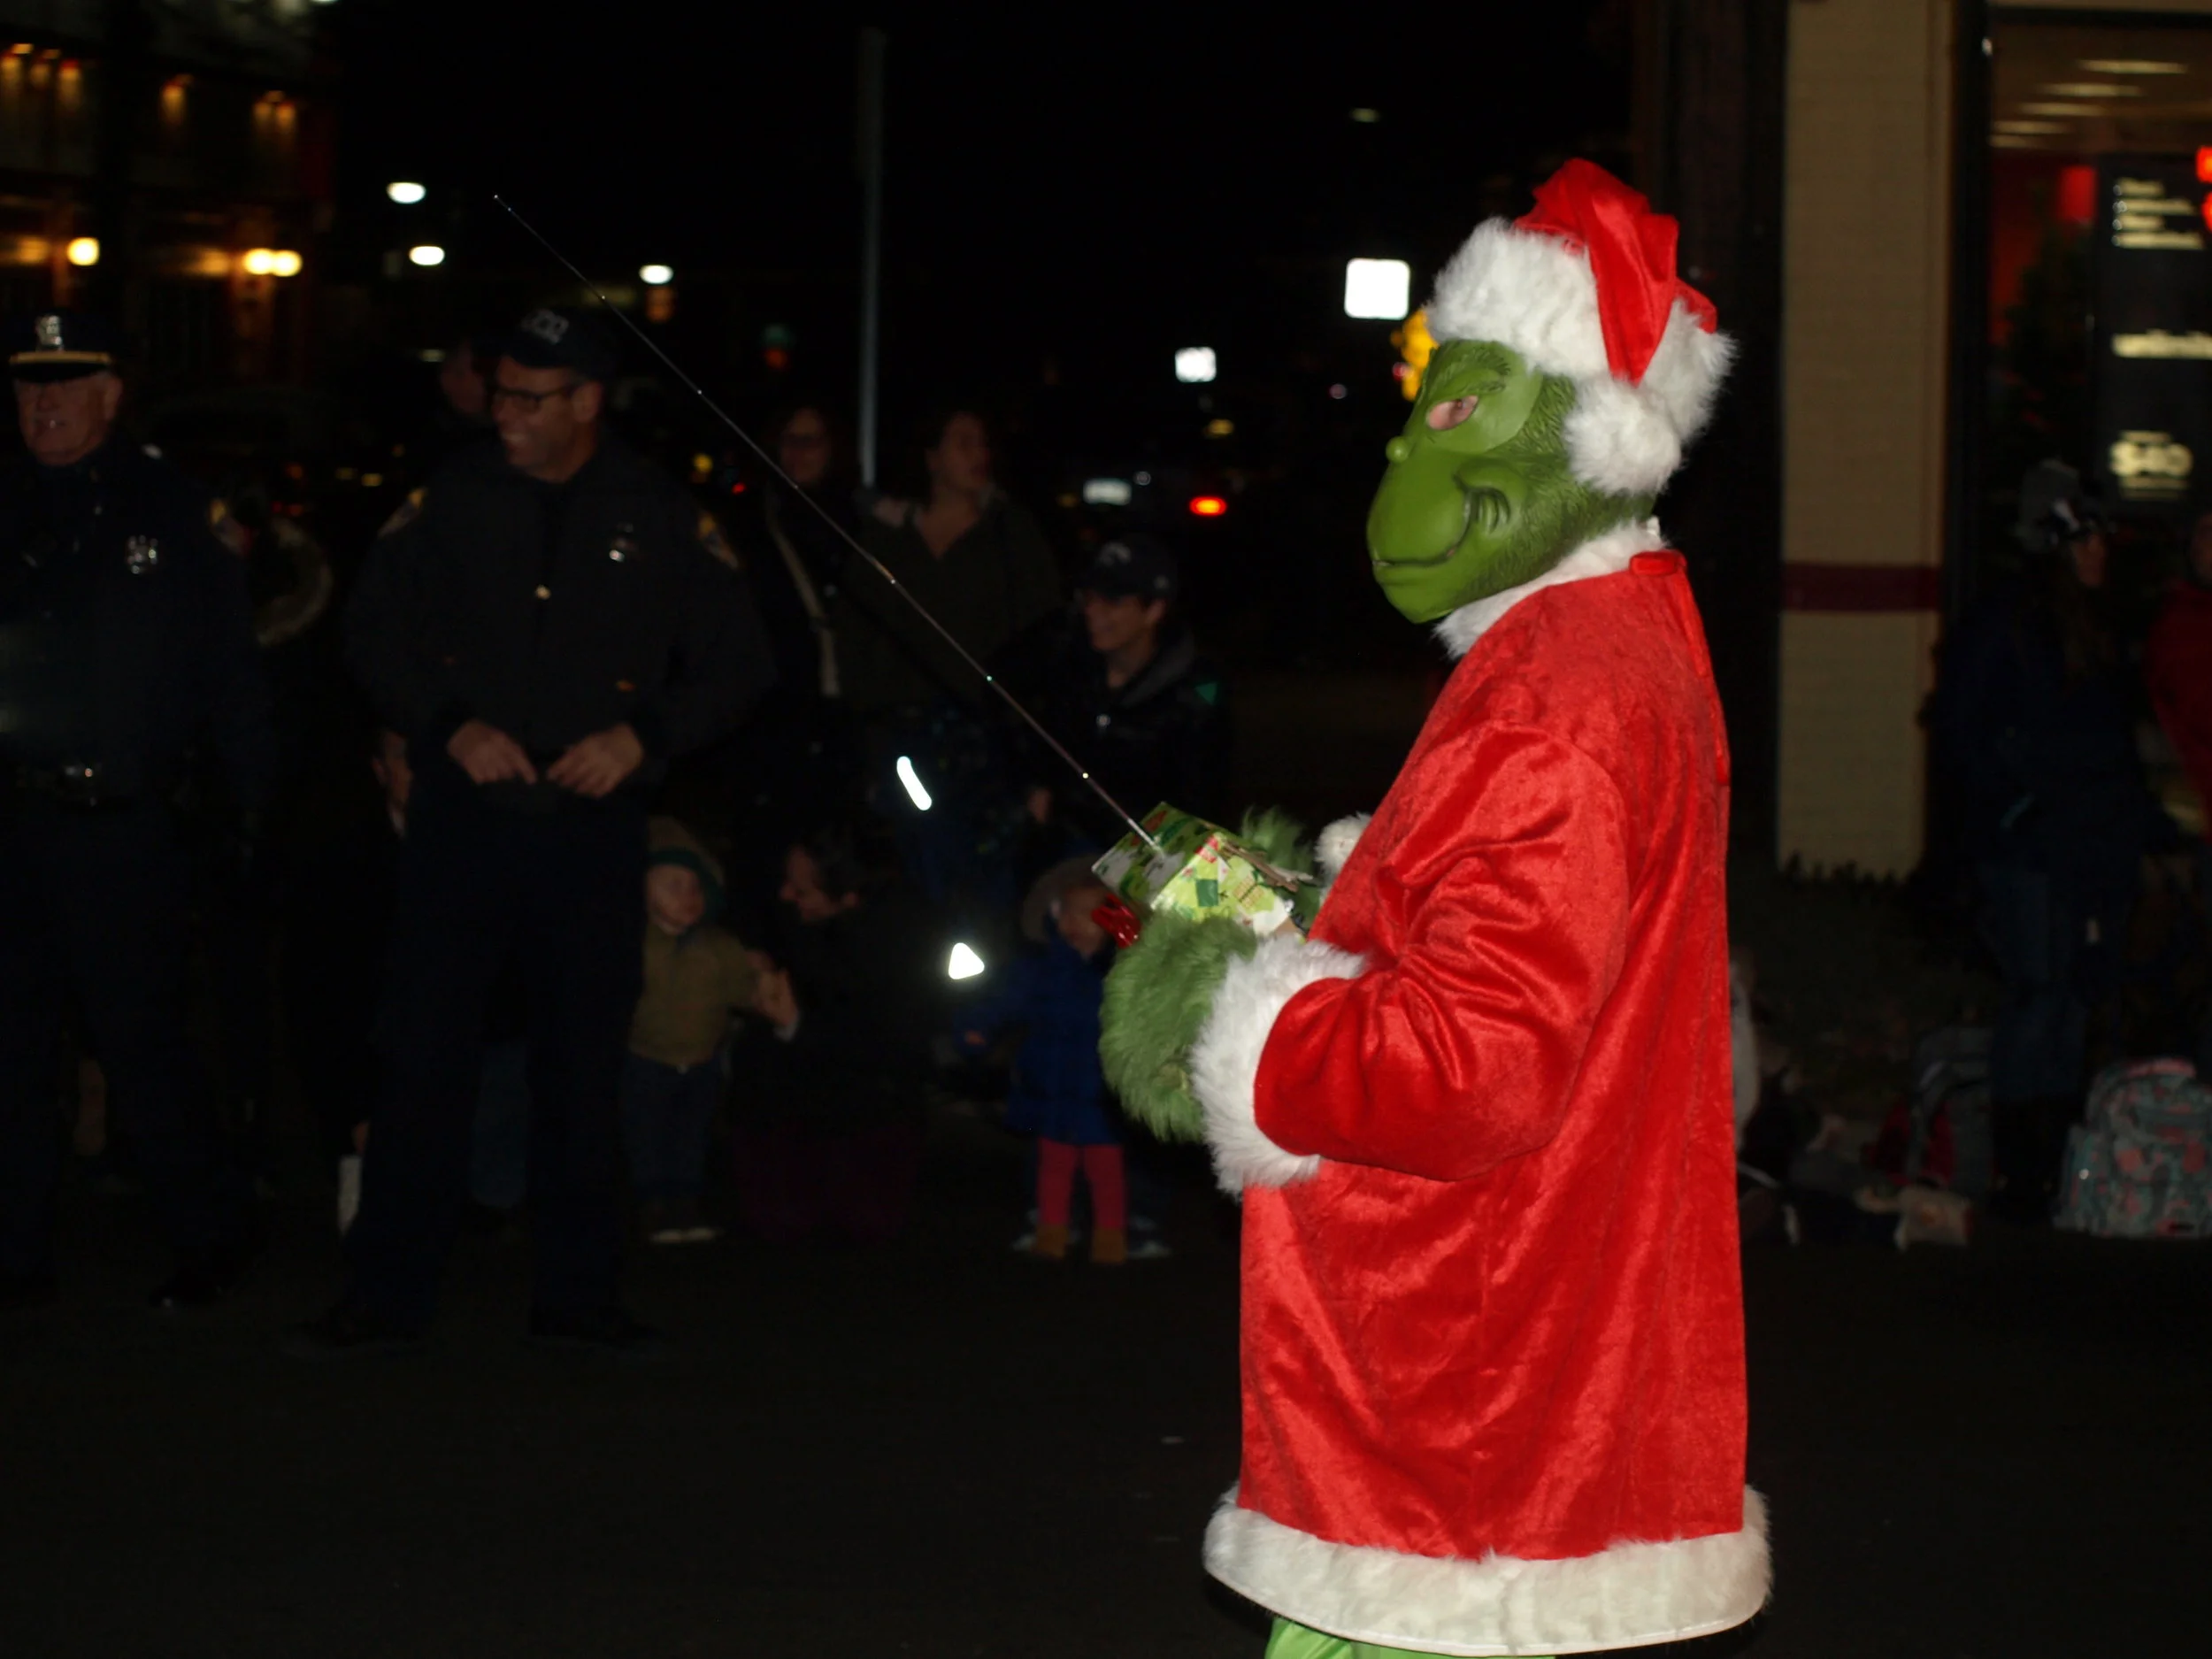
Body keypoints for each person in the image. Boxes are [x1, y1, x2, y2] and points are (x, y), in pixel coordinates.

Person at [293, 306, 773, 1357]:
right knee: (424, 1060)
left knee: (581, 1068)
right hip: (466, 823)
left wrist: (641, 740)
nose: (502, 412)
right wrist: (445, 725)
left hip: (589, 828)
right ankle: (385, 1294)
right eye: (498, 391)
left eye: (527, 397)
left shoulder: (654, 511)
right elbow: (369, 627)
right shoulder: (453, 498)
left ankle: (578, 1299)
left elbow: (740, 662)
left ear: (586, 401)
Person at [0, 309, 275, 1310]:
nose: (44, 406)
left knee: (141, 1042)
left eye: (66, 386)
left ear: (110, 396)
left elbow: (229, 678)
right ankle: (18, 1252)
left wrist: (247, 814)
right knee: (14, 1054)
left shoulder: (172, 512)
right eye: (30, 387)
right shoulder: (7, 506)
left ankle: (208, 1239)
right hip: (17, 825)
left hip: (125, 829)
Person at [1933, 461, 2176, 1222]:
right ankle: (2017, 1167)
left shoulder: (2094, 629)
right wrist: (2015, 802)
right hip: (2031, 846)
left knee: (2075, 992)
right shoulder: (2010, 622)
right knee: (2037, 993)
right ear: (2056, 542)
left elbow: (2111, 745)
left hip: (2087, 844)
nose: (2103, 553)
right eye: (2089, 540)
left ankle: (2057, 1161)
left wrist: (2145, 829)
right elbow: (1961, 729)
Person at [841, 409, 1061, 904]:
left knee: (987, 872)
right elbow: (857, 637)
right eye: (962, 443)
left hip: (986, 739)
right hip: (901, 734)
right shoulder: (887, 537)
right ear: (931, 457)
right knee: (914, 865)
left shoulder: (1009, 533)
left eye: (982, 443)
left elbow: (1043, 633)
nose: (978, 455)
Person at [731, 819, 939, 1246]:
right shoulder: (793, 923)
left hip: (867, 1117)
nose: (786, 896)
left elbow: (885, 1047)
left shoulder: (897, 947)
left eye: (802, 891)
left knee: (862, 1224)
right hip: (805, 1112)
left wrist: (794, 1026)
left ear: (848, 897)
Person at [958, 859, 1128, 1263]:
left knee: (1105, 1170)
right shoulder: (1044, 970)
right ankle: (1051, 1232)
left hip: (1101, 1091)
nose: (1075, 921)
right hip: (1050, 1085)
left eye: (1089, 913)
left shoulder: (1123, 974)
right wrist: (977, 1026)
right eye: (1067, 911)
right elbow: (1005, 999)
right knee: (1053, 1164)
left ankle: (1111, 1238)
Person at [1020, 532, 1229, 854]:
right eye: (1088, 597)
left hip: (1150, 860)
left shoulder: (1197, 692)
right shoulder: (1067, 667)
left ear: (1154, 610)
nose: (1093, 611)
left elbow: (1199, 805)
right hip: (1065, 851)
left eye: (1113, 601)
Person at [624, 818, 757, 1245]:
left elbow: (744, 989)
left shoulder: (718, 945)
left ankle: (686, 1202)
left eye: (695, 887)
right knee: (645, 1133)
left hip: (701, 1061)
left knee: (690, 1134)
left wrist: (764, 983)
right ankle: (651, 1205)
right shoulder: (632, 944)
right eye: (674, 886)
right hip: (645, 1058)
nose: (688, 897)